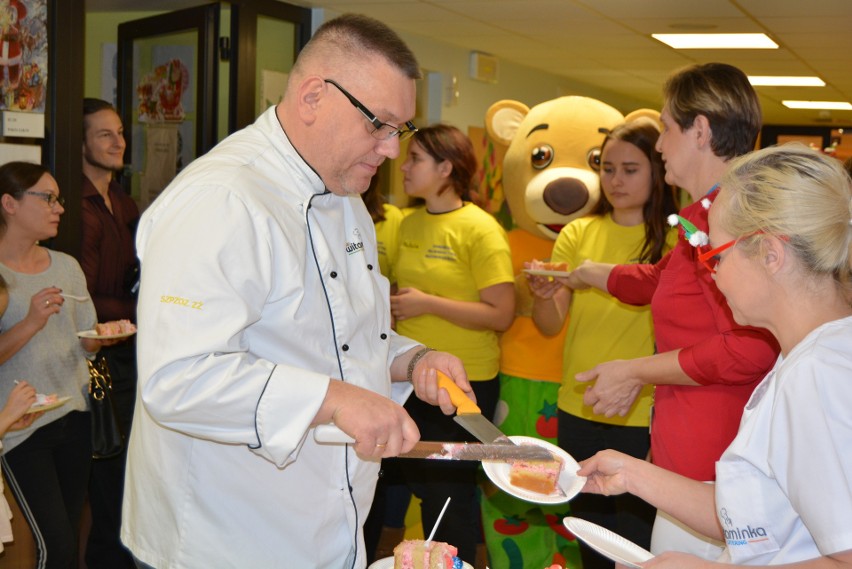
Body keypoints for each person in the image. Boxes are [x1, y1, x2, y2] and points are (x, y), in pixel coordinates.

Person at [121, 14, 472, 569]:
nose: (390, 150)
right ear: (313, 96)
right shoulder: (224, 198)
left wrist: (414, 360)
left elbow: (343, 335)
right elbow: (177, 379)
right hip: (224, 536)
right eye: (379, 124)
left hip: (325, 524)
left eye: (398, 131)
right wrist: (335, 399)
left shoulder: (346, 196)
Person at [579, 143, 852, 568]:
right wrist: (632, 474)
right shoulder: (806, 357)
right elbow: (754, 521)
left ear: (770, 254)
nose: (712, 272)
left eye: (715, 255)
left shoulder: (818, 375)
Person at [563, 63, 780, 558]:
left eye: (666, 128)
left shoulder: (731, 221)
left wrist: (635, 371)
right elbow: (665, 280)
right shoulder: (704, 214)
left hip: (715, 462)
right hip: (684, 454)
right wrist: (589, 271)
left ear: (699, 130)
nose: (659, 145)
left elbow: (750, 347)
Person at [525, 117, 678, 568]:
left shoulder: (674, 240)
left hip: (641, 411)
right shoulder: (577, 233)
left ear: (656, 169)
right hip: (577, 404)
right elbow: (551, 324)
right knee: (588, 534)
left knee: (633, 540)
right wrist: (543, 296)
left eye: (630, 169)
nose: (615, 180)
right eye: (607, 168)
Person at [390, 124, 515, 564]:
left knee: (448, 499)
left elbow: (501, 313)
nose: (402, 166)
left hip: (463, 382)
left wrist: (428, 303)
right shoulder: (408, 222)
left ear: (446, 168)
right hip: (410, 379)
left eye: (415, 159)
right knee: (424, 489)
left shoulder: (480, 229)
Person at [0, 161, 101, 569]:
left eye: (59, 199)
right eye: (47, 198)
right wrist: (31, 322)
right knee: (53, 546)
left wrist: (99, 339)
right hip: (22, 426)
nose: (59, 207)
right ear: (9, 203)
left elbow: (88, 340)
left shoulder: (67, 266)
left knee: (71, 536)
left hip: (73, 416)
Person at [80, 96, 139, 569]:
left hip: (129, 352)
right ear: (81, 142)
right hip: (91, 358)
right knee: (105, 466)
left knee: (129, 468)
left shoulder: (124, 201)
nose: (118, 142)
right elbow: (84, 298)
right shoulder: (73, 206)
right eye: (105, 134)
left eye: (120, 132)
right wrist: (138, 309)